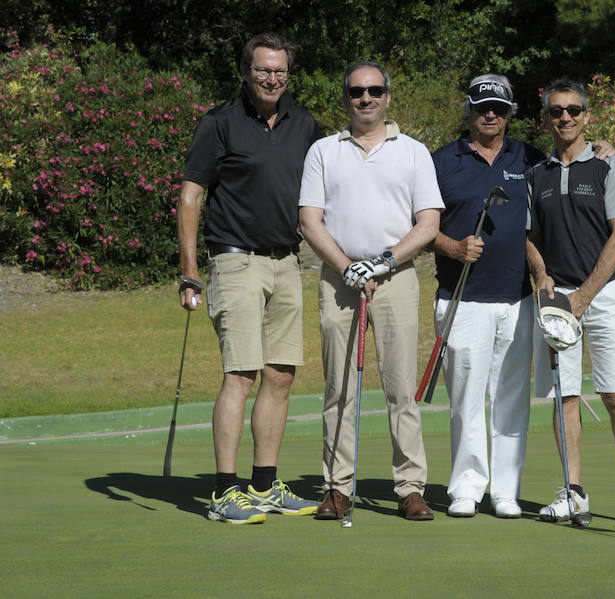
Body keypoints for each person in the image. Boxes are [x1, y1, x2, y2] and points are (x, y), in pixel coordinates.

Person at [177, 33, 321, 524]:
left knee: (281, 374)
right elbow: (191, 196)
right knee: (240, 373)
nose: (272, 78)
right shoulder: (219, 123)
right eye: (263, 70)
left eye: (279, 71)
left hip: (287, 262)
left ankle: (263, 484)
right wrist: (190, 271)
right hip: (235, 261)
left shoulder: (304, 124)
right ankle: (223, 491)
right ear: (246, 70)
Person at [299, 61, 444, 521]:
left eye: (374, 90)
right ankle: (337, 487)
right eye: (357, 92)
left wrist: (383, 262)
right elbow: (309, 221)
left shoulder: (414, 151)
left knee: (400, 388)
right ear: (346, 98)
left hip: (396, 278)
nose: (366, 98)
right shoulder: (323, 150)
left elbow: (428, 224)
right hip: (339, 279)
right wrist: (347, 267)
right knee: (339, 388)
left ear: (388, 96)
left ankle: (410, 487)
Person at [526, 78, 615, 526]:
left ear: (587, 115)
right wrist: (542, 275)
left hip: (605, 295)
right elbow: (530, 238)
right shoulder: (535, 174)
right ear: (545, 117)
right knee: (565, 397)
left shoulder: (609, 167)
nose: (565, 117)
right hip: (556, 299)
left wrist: (584, 296)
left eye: (573, 110)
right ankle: (573, 490)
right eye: (556, 111)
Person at [429, 75, 545, 518]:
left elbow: (572, 164)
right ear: (470, 110)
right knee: (466, 398)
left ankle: (505, 491)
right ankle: (466, 487)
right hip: (461, 298)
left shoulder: (529, 158)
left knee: (510, 398)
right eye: (482, 107)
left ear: (510, 111)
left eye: (498, 107)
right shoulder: (442, 161)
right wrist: (453, 247)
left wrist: (604, 151)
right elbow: (421, 226)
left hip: (516, 298)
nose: (490, 114)